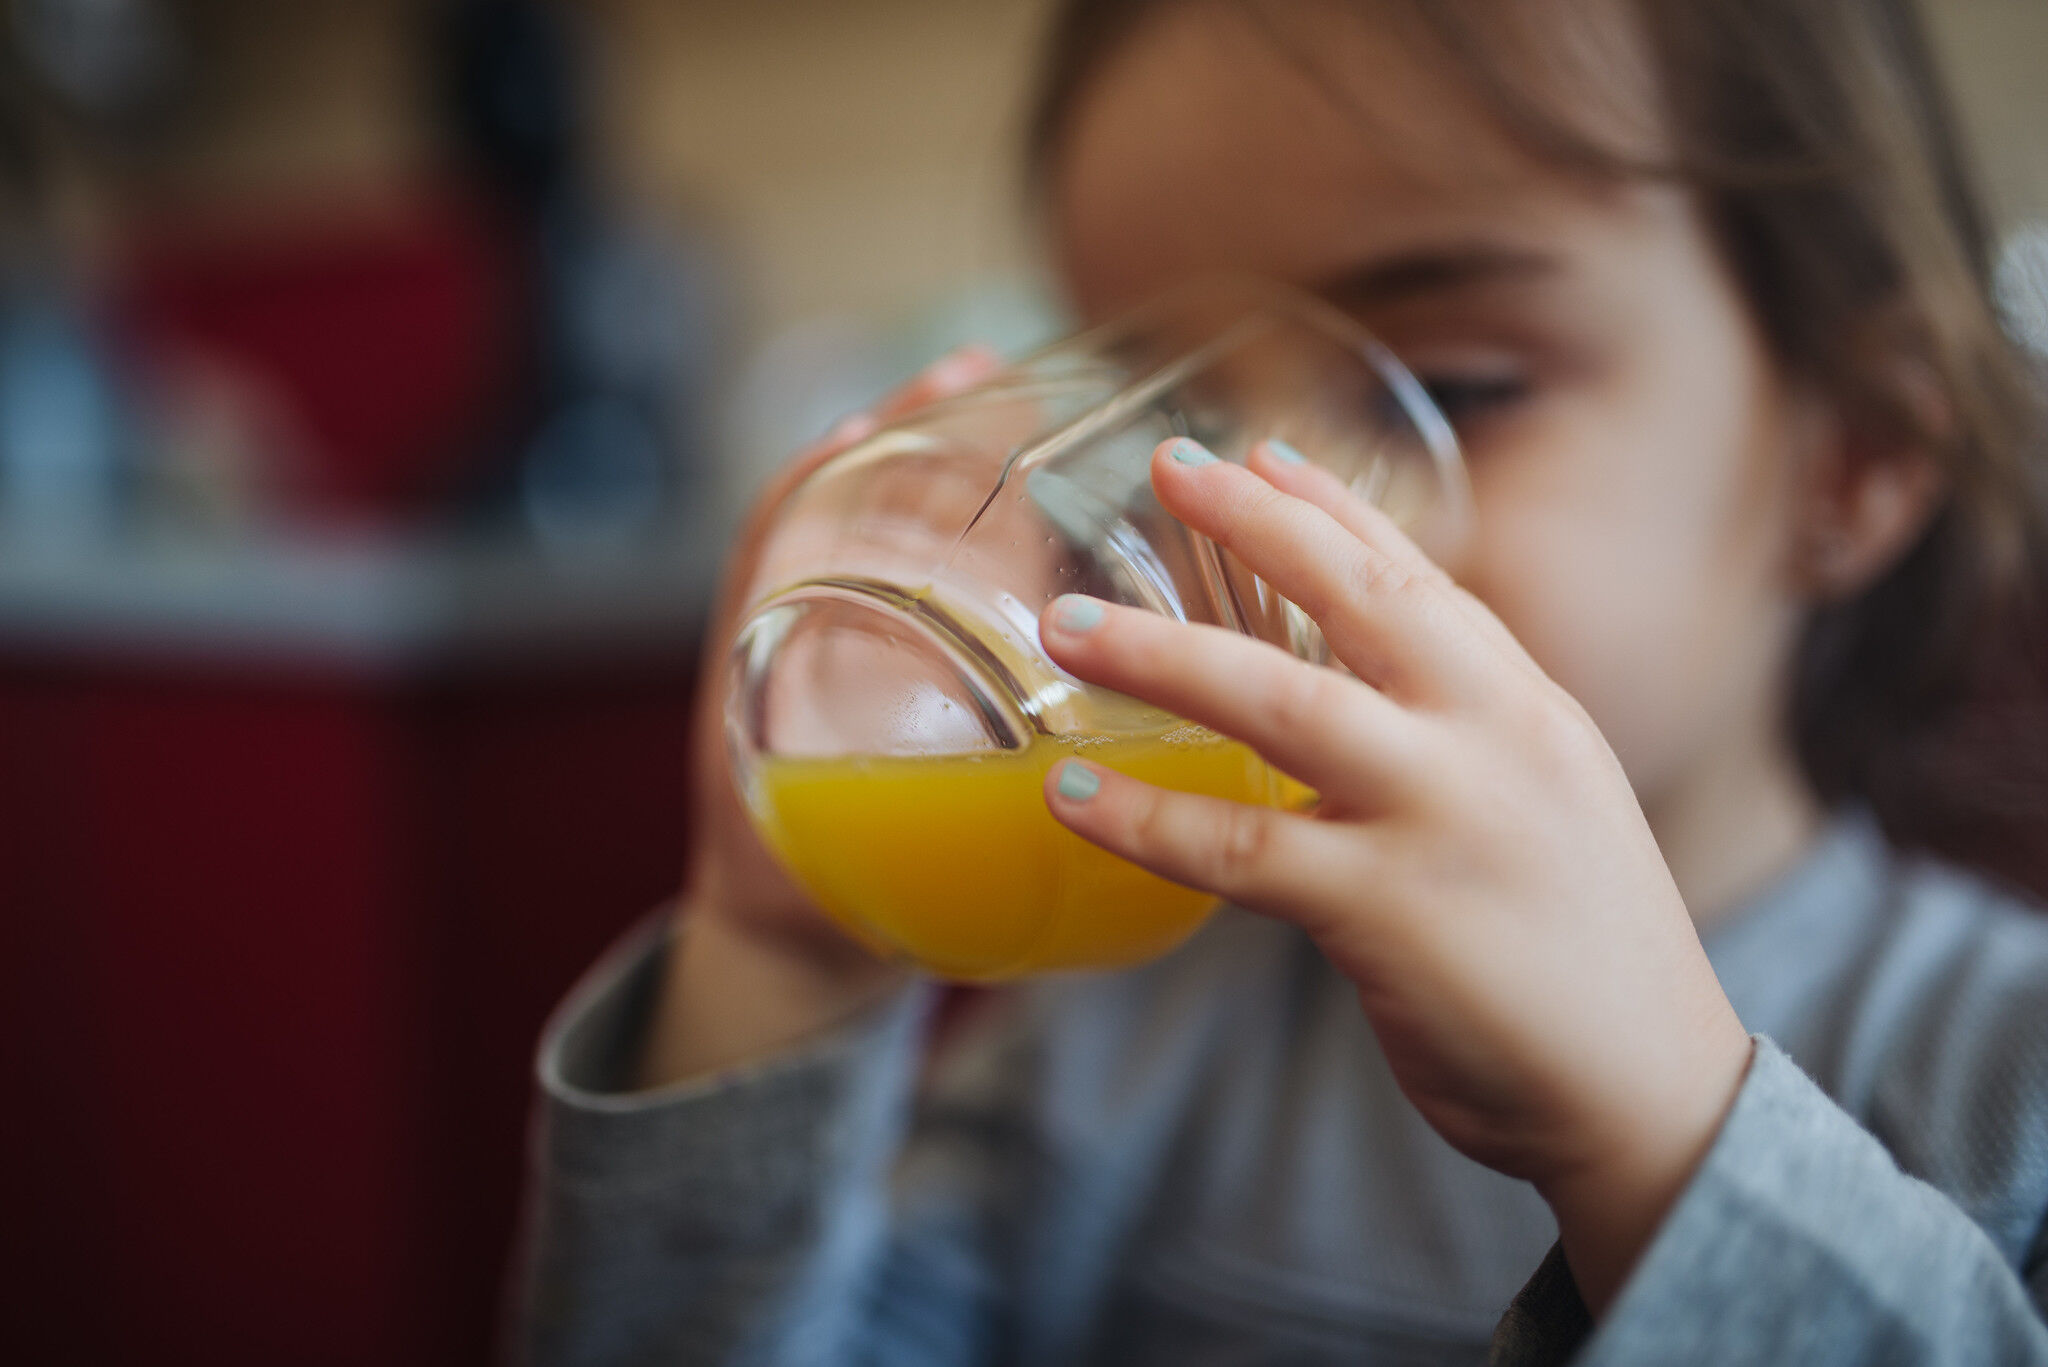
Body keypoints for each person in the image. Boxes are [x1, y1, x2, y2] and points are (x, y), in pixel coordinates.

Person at [511, 1, 2048, 1362]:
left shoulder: (2004, 1078)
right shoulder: (1117, 1046)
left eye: (1453, 390)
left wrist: (1671, 1154)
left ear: (1855, 453)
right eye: (1164, 428)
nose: (1251, 516)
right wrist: (781, 967)